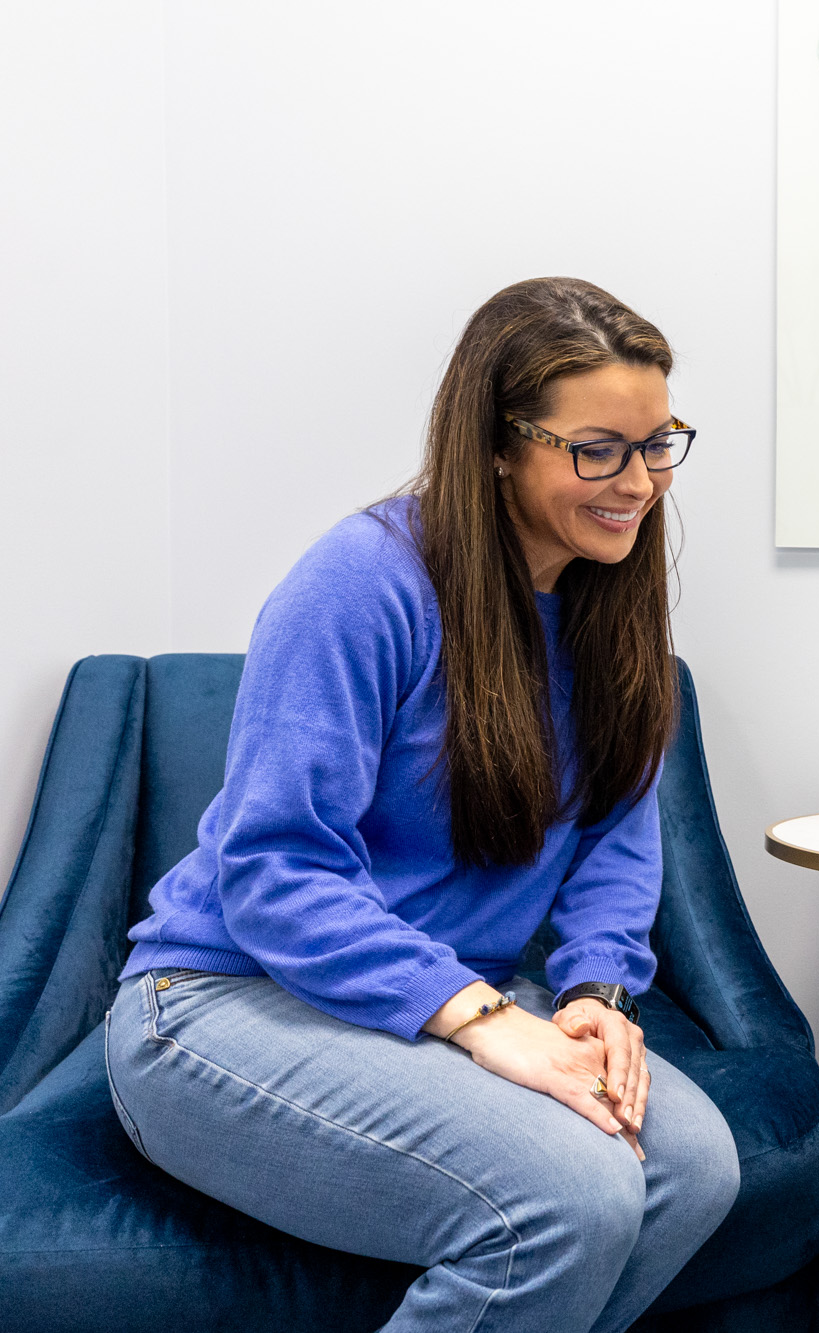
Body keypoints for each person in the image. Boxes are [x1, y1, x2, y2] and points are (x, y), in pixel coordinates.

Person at [104, 277, 739, 1333]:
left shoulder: (607, 600)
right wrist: (486, 1019)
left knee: (695, 1166)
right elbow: (274, 871)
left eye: (657, 443)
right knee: (569, 1197)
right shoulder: (361, 581)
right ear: (497, 443)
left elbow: (616, 843)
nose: (637, 482)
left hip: (440, 998)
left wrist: (593, 993)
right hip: (220, 999)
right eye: (597, 449)